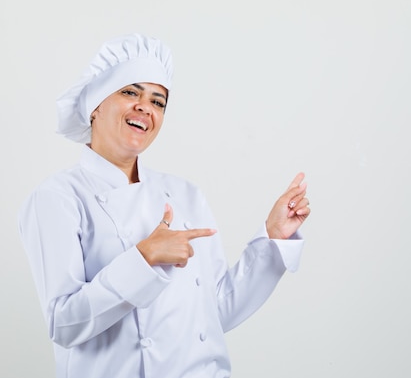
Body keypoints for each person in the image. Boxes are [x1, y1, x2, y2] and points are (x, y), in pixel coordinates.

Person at [18, 33, 311, 378]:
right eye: (130, 91)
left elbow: (214, 312)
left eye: (158, 101)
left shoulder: (185, 194)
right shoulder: (58, 197)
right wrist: (143, 259)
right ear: (94, 106)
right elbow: (64, 324)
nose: (145, 107)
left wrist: (273, 238)